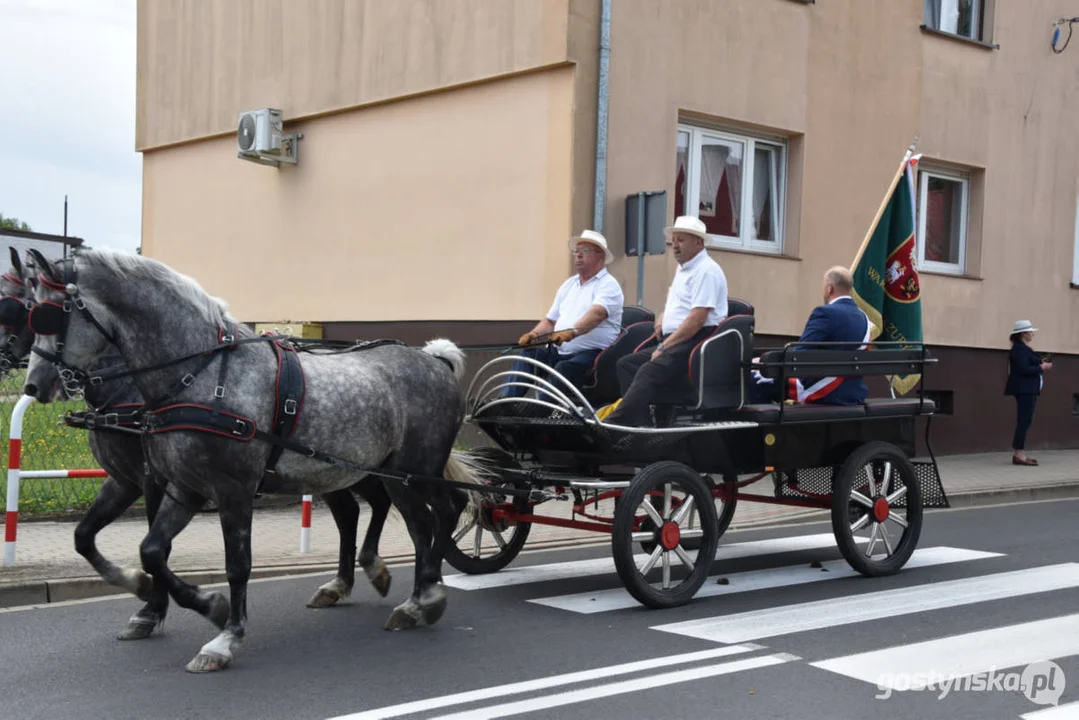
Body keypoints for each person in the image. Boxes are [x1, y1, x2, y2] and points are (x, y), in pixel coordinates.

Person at [603, 216, 727, 426]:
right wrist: (663, 316)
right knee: (626, 365)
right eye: (674, 240)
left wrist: (664, 346)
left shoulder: (707, 271)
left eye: (681, 240)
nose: (675, 245)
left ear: (698, 243)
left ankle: (617, 422)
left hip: (697, 339)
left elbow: (697, 319)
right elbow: (680, 302)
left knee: (647, 370)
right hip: (679, 336)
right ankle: (641, 424)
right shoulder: (686, 268)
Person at [504, 230, 624, 397]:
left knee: (564, 369)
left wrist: (571, 332)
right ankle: (506, 402)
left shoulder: (608, 285)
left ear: (600, 257)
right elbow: (550, 321)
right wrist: (533, 334)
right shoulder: (569, 284)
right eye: (577, 251)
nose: (578, 255)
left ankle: (538, 410)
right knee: (530, 354)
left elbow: (597, 315)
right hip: (560, 351)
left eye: (585, 251)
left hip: (593, 355)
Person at [751, 266, 872, 405]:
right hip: (853, 392)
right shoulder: (864, 317)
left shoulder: (825, 313)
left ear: (829, 289)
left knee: (753, 380)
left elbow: (799, 356)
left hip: (824, 392)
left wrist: (764, 361)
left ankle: (761, 427)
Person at [1004, 320, 1052, 466]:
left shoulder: (1023, 349)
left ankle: (1019, 453)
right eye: (1030, 332)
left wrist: (1040, 363)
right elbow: (1024, 369)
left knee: (1025, 420)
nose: (1032, 334)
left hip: (1028, 389)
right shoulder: (1019, 349)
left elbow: (1027, 365)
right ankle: (1019, 454)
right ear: (1023, 334)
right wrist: (1042, 367)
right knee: (1024, 420)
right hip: (1025, 389)